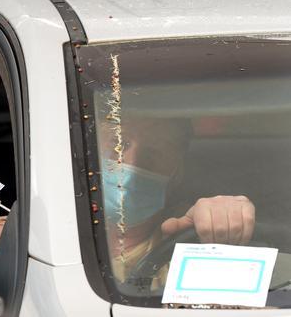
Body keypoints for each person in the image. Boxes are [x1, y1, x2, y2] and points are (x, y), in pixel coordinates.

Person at [99, 116, 256, 285]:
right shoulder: (69, 227)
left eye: (154, 151)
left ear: (177, 173)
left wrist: (224, 225)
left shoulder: (188, 237)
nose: (132, 162)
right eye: (119, 143)